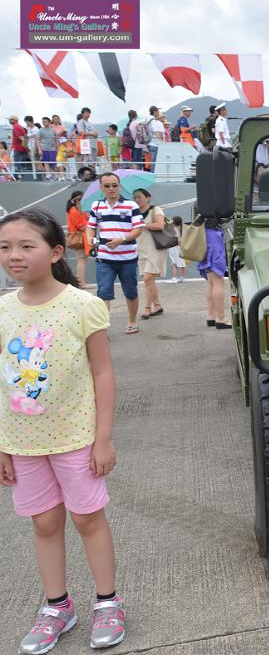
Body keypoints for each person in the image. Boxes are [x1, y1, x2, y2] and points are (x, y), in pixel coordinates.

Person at [0, 209, 127, 653]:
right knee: (45, 522)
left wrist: (103, 437)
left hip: (76, 437)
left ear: (55, 253)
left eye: (25, 246)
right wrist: (2, 445)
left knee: (88, 518)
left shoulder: (82, 306)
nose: (13, 256)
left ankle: (108, 602)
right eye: (4, 247)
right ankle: (57, 606)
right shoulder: (1, 309)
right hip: (23, 443)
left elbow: (103, 374)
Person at [84, 172, 144, 334]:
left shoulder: (131, 205)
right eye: (107, 186)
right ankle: (103, 327)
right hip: (105, 258)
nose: (111, 189)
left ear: (119, 186)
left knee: (131, 292)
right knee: (104, 293)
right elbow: (90, 226)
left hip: (128, 258)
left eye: (114, 185)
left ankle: (132, 321)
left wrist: (122, 239)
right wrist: (90, 238)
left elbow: (138, 229)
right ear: (101, 188)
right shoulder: (97, 206)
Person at [132, 189, 167, 321]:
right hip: (141, 248)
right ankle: (157, 305)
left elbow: (160, 225)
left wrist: (143, 224)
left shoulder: (155, 209)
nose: (137, 200)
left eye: (140, 197)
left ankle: (147, 308)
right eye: (135, 197)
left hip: (155, 248)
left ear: (148, 197)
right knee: (149, 279)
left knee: (147, 278)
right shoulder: (134, 213)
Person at [196, 214, 230, 329]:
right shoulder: (216, 201)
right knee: (218, 281)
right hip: (214, 238)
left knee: (211, 282)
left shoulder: (199, 201)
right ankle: (221, 318)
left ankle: (211, 315)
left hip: (203, 237)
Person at [66, 191, 89, 287]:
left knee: (82, 260)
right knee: (81, 260)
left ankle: (80, 282)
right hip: (79, 237)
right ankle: (81, 283)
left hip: (82, 237)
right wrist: (88, 221)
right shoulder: (73, 211)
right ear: (76, 200)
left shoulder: (79, 211)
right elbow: (81, 226)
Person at [75, 108, 98, 172]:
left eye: (89, 113)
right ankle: (87, 173)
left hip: (94, 143)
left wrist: (96, 134)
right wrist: (92, 134)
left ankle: (93, 172)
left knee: (93, 159)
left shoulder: (90, 123)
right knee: (87, 159)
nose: (88, 114)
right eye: (86, 113)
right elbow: (81, 132)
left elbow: (94, 132)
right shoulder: (81, 122)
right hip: (86, 143)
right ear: (83, 114)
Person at [9, 115, 29, 181]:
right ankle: (19, 176)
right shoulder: (19, 126)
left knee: (17, 162)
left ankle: (18, 176)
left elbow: (20, 137)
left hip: (18, 148)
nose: (9, 120)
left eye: (10, 119)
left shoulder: (16, 126)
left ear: (14, 120)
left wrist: (24, 144)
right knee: (21, 162)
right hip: (22, 148)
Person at [167, 216, 186, 283]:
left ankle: (174, 278)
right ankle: (183, 277)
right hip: (179, 247)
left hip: (174, 247)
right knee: (182, 262)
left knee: (174, 263)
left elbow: (178, 240)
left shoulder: (174, 229)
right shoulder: (181, 228)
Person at [25, 116, 41, 181]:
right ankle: (36, 175)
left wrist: (35, 148)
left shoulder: (35, 129)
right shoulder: (29, 129)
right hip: (30, 147)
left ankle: (42, 175)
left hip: (34, 147)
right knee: (34, 162)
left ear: (31, 121)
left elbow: (36, 139)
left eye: (27, 122)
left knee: (37, 162)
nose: (26, 123)